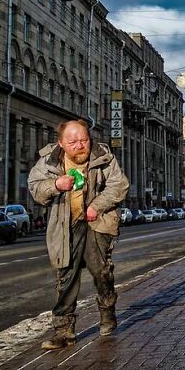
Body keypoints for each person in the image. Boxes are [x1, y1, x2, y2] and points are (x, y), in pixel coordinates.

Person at [28, 119, 129, 350]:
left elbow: (119, 185)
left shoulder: (103, 156)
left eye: (84, 139)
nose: (79, 145)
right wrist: (56, 185)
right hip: (66, 225)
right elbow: (35, 188)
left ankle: (107, 313)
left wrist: (97, 206)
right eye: (72, 141)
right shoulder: (49, 161)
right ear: (61, 143)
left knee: (101, 271)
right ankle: (63, 332)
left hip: (98, 223)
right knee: (66, 276)